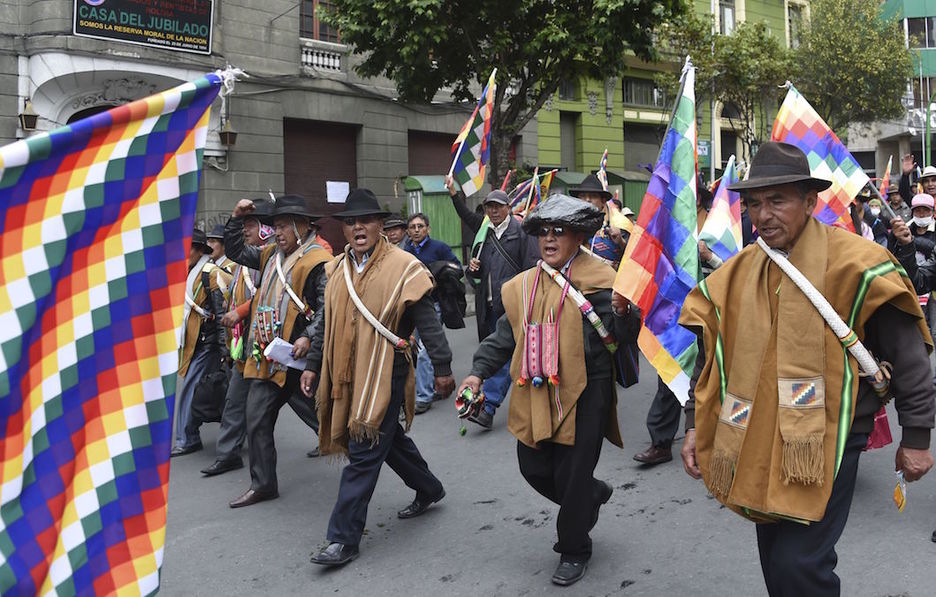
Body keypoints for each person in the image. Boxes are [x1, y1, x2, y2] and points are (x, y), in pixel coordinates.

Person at [679, 142, 935, 596]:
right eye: (754, 203)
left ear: (810, 202)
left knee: (800, 565)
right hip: (757, 432)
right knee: (775, 557)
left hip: (833, 435)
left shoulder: (858, 263)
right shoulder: (737, 272)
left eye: (778, 200)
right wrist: (695, 427)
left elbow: (910, 357)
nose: (763, 215)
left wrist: (916, 439)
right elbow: (713, 358)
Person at [458, 194, 639, 586]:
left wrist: (626, 312)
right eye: (543, 232)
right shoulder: (523, 286)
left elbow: (625, 337)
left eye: (560, 231)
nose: (550, 239)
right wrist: (476, 373)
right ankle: (590, 495)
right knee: (533, 464)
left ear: (578, 236)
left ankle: (574, 547)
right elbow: (503, 337)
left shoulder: (603, 280)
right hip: (537, 388)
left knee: (573, 474)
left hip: (590, 390)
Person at [305, 188, 455, 567]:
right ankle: (429, 487)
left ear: (380, 226)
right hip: (347, 372)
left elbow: (428, 322)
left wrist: (442, 367)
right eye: (350, 222)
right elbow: (326, 325)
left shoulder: (404, 266)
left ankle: (343, 539)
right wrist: (311, 365)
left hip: (387, 370)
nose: (358, 227)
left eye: (366, 221)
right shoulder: (335, 269)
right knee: (388, 440)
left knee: (364, 448)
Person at [223, 194, 332, 508]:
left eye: (283, 226)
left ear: (302, 226)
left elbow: (326, 307)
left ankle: (365, 455)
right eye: (275, 226)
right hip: (271, 356)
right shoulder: (269, 254)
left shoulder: (317, 260)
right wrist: (235, 219)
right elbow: (234, 251)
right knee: (256, 417)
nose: (277, 232)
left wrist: (310, 337)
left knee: (328, 411)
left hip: (303, 358)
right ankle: (263, 483)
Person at [445, 174, 540, 429]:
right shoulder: (484, 233)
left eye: (498, 206)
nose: (494, 210)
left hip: (514, 303)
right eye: (489, 207)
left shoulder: (522, 231)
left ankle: (488, 405)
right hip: (488, 304)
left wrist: (526, 299)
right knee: (498, 352)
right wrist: (473, 269)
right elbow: (477, 271)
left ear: (508, 207)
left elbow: (532, 266)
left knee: (506, 353)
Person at [201, 199, 271, 476]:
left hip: (268, 343)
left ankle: (333, 436)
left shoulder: (268, 258)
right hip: (245, 345)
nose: (245, 230)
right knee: (234, 400)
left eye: (251, 225)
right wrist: (234, 216)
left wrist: (240, 312)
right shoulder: (244, 259)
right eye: (244, 226)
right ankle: (228, 453)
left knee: (300, 401)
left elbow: (270, 297)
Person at [172, 228, 232, 456]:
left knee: (191, 389)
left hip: (209, 342)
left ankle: (187, 438)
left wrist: (223, 348)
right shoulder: (189, 272)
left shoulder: (210, 273)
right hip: (196, 341)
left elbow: (220, 311)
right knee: (205, 389)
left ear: (198, 250)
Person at [404, 212, 461, 414]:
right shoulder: (405, 251)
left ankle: (423, 397)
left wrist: (438, 271)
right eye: (413, 227)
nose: (417, 230)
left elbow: (457, 268)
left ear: (428, 228)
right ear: (408, 231)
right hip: (410, 307)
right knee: (413, 349)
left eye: (420, 226)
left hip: (434, 305)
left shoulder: (439, 248)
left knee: (425, 351)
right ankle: (437, 379)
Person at [568, 174, 626, 268]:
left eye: (593, 196)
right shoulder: (568, 227)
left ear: (603, 202)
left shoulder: (619, 227)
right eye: (582, 196)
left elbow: (633, 260)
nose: (587, 200)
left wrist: (621, 242)